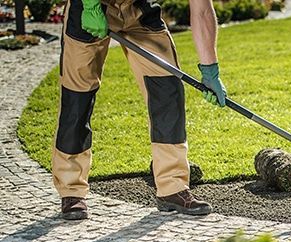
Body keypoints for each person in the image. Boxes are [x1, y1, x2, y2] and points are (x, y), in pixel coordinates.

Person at [54, 0, 226, 220]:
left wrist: (210, 70)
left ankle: (172, 187)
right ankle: (71, 191)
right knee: (78, 97)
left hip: (140, 9)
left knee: (167, 89)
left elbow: (201, 10)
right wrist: (90, 6)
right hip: (92, 7)